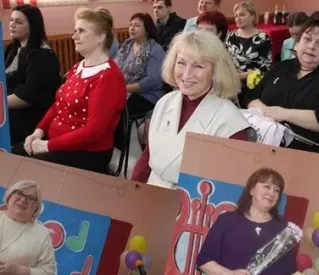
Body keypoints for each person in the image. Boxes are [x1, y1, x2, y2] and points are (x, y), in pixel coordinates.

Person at [132, 31, 250, 188]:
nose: (187, 75)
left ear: (215, 71)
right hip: (151, 192)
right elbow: (148, 155)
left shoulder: (230, 121)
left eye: (198, 66)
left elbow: (231, 187)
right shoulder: (164, 102)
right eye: (181, 63)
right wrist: (131, 191)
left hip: (194, 199)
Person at [18, 8, 126, 173]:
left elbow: (92, 132)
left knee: (23, 170)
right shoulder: (78, 67)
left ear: (101, 37)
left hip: (87, 153)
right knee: (11, 157)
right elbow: (58, 104)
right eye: (75, 30)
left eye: (81, 31)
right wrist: (38, 131)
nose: (74, 36)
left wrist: (48, 145)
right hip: (59, 143)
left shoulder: (109, 77)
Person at [198, 168, 307, 275]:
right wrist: (229, 274)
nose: (272, 193)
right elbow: (204, 261)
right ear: (251, 190)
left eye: (277, 190)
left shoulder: (285, 229)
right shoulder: (227, 221)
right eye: (267, 186)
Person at [245, 9, 319, 157]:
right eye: (307, 39)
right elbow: (250, 96)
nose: (311, 46)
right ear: (299, 40)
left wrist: (284, 114)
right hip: (265, 150)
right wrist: (266, 112)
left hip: (313, 156)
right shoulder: (281, 67)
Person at [5, 5, 62, 146]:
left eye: (18, 22)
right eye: (11, 20)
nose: (12, 25)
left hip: (31, 120)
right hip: (11, 112)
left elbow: (27, 97)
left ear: (32, 26)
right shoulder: (11, 49)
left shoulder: (42, 55)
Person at [115, 14, 166, 120]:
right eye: (130, 25)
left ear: (147, 30)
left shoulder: (155, 49)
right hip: (124, 89)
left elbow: (153, 80)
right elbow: (115, 66)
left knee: (117, 110)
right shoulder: (127, 44)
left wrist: (124, 88)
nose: (132, 28)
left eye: (137, 25)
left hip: (147, 95)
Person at [227, 2, 273, 100]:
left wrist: (244, 75)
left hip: (254, 84)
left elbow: (266, 67)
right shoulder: (231, 36)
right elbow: (225, 60)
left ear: (253, 16)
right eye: (236, 16)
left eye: (242, 15)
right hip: (232, 83)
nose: (238, 18)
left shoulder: (263, 38)